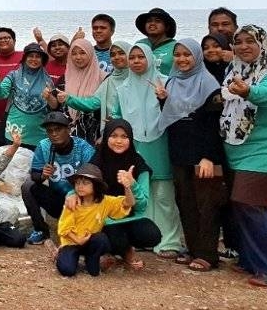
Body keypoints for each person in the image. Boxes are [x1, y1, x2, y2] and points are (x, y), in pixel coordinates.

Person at [63, 43, 183, 258]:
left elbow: (178, 114)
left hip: (160, 142)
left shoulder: (165, 82)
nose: (136, 61)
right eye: (133, 57)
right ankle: (143, 237)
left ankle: (169, 240)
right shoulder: (122, 87)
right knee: (139, 190)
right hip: (131, 144)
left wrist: (165, 98)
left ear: (149, 59)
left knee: (163, 193)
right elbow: (116, 114)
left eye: (140, 57)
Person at [219, 25, 267, 286]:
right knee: (248, 207)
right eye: (238, 42)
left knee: (252, 206)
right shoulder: (235, 71)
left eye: (250, 41)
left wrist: (249, 91)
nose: (243, 46)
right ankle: (252, 260)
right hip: (239, 150)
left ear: (262, 43)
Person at [158, 39, 224, 271]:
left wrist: (209, 156)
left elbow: (214, 123)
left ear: (197, 57)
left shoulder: (208, 83)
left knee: (206, 202)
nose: (182, 59)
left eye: (188, 54)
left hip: (202, 152)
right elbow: (172, 116)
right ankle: (193, 248)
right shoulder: (173, 81)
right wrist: (162, 99)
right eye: (178, 55)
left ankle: (208, 254)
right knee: (185, 201)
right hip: (179, 149)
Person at [88, 120, 160, 269]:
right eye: (114, 136)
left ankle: (121, 250)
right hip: (103, 219)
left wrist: (132, 184)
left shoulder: (138, 164)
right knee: (113, 237)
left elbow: (142, 204)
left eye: (124, 136)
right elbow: (82, 188)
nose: (119, 141)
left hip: (129, 217)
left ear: (130, 139)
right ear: (106, 136)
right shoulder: (97, 161)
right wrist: (72, 196)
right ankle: (120, 252)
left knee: (152, 234)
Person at [21, 112, 96, 245]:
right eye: (50, 131)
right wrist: (43, 175)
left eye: (58, 129)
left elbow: (94, 179)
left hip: (81, 201)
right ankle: (41, 230)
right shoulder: (44, 146)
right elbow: (35, 175)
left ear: (68, 130)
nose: (54, 134)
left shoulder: (84, 148)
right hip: (58, 201)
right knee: (27, 186)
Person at [55, 163, 134, 277]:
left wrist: (127, 187)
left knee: (101, 241)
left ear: (96, 185)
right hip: (72, 242)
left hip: (90, 242)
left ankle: (91, 260)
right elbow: (64, 228)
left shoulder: (105, 202)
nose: (80, 186)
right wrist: (78, 240)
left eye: (85, 183)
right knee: (67, 270)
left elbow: (129, 203)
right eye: (77, 183)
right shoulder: (73, 202)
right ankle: (61, 254)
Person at [0, 42, 52, 149]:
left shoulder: (47, 80)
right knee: (13, 164)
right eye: (30, 56)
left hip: (38, 133)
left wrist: (50, 97)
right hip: (14, 130)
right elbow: (0, 94)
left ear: (42, 60)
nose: (34, 59)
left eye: (38, 57)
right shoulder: (13, 75)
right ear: (24, 58)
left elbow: (54, 106)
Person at [57, 38, 106, 143]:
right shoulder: (65, 78)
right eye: (74, 54)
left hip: (94, 134)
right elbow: (57, 107)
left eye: (82, 53)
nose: (78, 57)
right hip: (68, 135)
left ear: (90, 53)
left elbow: (101, 105)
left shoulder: (103, 78)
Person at [0, 28, 24, 147]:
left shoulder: (24, 56)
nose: (4, 40)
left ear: (14, 40)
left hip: (14, 116)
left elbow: (48, 58)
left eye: (7, 38)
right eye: (0, 38)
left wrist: (41, 41)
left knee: (12, 149)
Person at [135, 7, 177, 75]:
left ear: (167, 27)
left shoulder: (175, 47)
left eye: (158, 21)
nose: (152, 23)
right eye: (149, 21)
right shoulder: (140, 44)